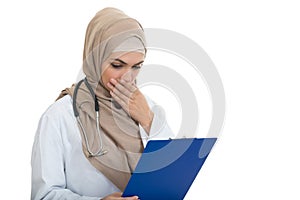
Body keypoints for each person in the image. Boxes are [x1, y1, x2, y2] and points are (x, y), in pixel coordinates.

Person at [31, 7, 174, 200]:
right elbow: (43, 195)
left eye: (137, 66)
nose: (127, 78)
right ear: (94, 59)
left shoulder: (145, 105)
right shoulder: (59, 116)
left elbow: (172, 174)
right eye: (117, 65)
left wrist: (149, 120)